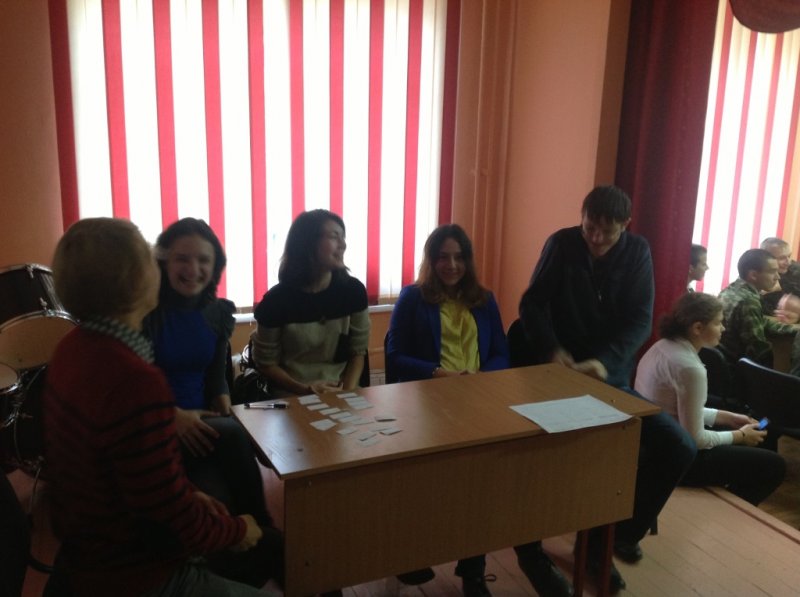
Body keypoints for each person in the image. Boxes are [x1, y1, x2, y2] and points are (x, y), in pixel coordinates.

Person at [42, 218, 271, 596]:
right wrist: (237, 531)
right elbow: (171, 519)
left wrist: (186, 494)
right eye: (154, 258)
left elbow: (139, 481)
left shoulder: (71, 348)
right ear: (135, 280)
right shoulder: (133, 379)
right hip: (134, 574)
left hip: (88, 555)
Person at [516, 185, 696, 595]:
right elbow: (532, 304)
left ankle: (607, 540)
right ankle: (531, 549)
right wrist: (552, 350)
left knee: (679, 446)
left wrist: (606, 362)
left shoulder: (637, 252)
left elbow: (640, 321)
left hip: (607, 378)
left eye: (606, 232)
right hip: (555, 377)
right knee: (540, 460)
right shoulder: (562, 244)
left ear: (625, 226)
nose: (595, 239)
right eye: (589, 228)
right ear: (581, 218)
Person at [142, 218, 282, 587]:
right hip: (157, 427)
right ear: (163, 262)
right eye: (182, 259)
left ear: (216, 265)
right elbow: (134, 384)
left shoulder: (217, 312)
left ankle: (261, 543)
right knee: (232, 444)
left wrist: (224, 403)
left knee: (232, 439)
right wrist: (173, 416)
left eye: (203, 260)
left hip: (204, 425)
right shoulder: (145, 313)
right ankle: (266, 535)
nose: (193, 269)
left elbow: (217, 376)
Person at [386, 224, 509, 597]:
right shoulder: (413, 298)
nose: (451, 265)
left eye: (459, 257)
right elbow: (394, 356)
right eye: (443, 257)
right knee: (428, 489)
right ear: (431, 259)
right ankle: (413, 555)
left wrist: (480, 378)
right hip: (426, 405)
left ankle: (473, 572)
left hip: (476, 403)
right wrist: (439, 374)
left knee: (477, 490)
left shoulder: (484, 300)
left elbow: (501, 352)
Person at [635, 292, 785, 505]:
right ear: (697, 328)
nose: (723, 328)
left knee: (759, 434)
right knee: (775, 466)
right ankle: (727, 509)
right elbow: (696, 439)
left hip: (655, 441)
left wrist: (727, 417)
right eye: (718, 323)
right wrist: (740, 436)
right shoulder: (690, 367)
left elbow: (673, 409)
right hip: (675, 457)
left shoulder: (662, 346)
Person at [251, 209, 370, 396]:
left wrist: (346, 394)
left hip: (341, 390)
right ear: (308, 243)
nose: (343, 245)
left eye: (343, 237)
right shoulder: (276, 301)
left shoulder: (353, 292)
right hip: (291, 394)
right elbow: (266, 364)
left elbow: (358, 353)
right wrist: (307, 390)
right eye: (334, 236)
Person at [718, 248, 796, 368]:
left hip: (723, 362)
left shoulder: (731, 290)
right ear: (753, 275)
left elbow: (760, 321)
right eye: (772, 272)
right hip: (737, 368)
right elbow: (758, 349)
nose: (778, 277)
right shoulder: (748, 301)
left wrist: (792, 329)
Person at [760, 237, 800, 320]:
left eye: (789, 256)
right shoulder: (755, 271)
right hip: (767, 319)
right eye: (782, 258)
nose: (788, 262)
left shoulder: (797, 272)